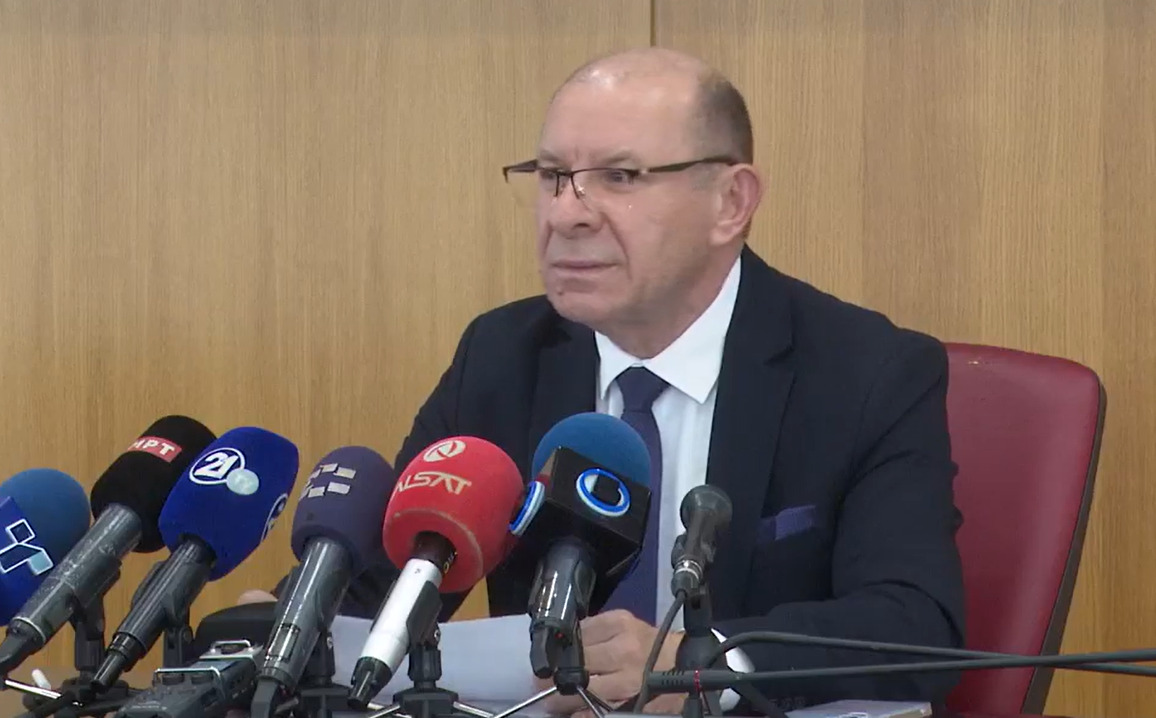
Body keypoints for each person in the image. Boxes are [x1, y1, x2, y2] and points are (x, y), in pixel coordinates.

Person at [243, 47, 965, 714]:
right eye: (552, 176)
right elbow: (397, 580)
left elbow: (914, 624)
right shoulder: (503, 356)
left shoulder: (868, 372)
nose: (566, 214)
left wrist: (706, 665)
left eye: (618, 177)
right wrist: (289, 624)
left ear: (731, 203)